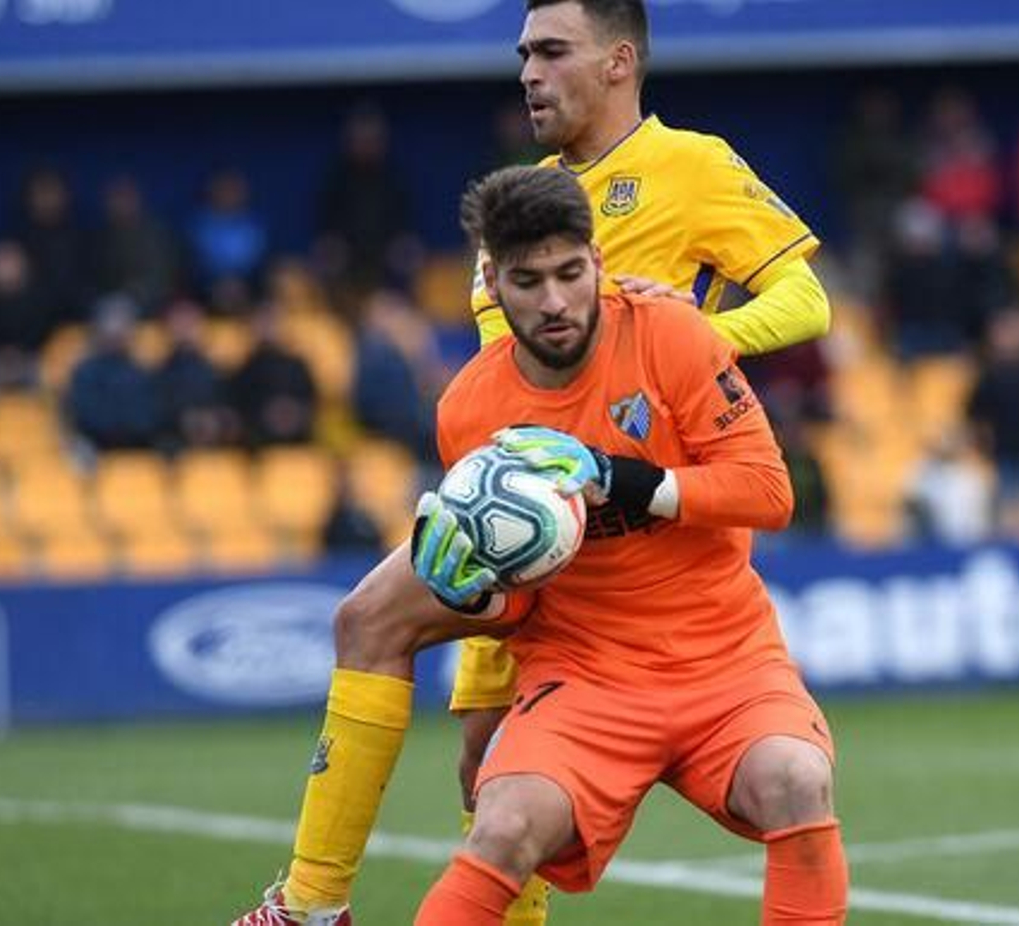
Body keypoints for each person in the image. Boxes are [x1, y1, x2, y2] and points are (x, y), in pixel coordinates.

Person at [230, 3, 831, 923]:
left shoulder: (693, 165)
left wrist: (699, 339)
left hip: (648, 521)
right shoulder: (517, 211)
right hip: (532, 517)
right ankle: (315, 903)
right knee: (478, 763)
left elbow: (807, 301)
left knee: (379, 635)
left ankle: (309, 904)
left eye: (552, 52)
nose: (528, 74)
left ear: (619, 61)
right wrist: (482, 648)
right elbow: (495, 406)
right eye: (522, 55)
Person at [413, 166, 844, 924]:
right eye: (528, 280)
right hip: (584, 676)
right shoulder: (469, 410)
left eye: (570, 273)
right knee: (503, 825)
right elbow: (517, 595)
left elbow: (768, 493)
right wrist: (473, 593)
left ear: (598, 262)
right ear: (490, 282)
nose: (554, 302)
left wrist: (619, 477)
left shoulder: (673, 335)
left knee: (796, 779)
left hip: (726, 662)